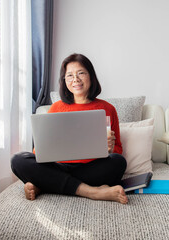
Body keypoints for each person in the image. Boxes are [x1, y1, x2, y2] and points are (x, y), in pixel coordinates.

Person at [11, 53, 128, 204]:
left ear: (91, 77)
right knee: (18, 160)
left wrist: (111, 149)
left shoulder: (107, 109)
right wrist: (44, 149)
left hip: (91, 168)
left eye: (81, 73)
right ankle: (92, 192)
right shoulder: (56, 108)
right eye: (70, 75)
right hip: (57, 166)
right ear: (64, 81)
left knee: (118, 162)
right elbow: (38, 152)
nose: (76, 79)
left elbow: (118, 148)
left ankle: (45, 184)